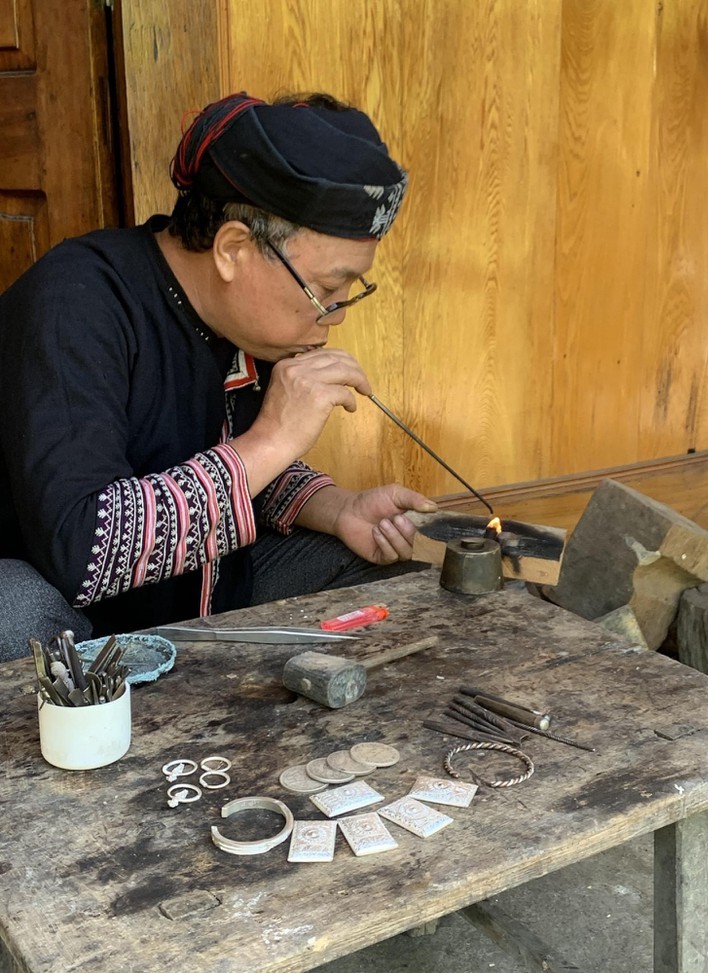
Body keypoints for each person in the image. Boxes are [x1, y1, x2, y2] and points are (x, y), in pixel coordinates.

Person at [0, 90, 437, 662]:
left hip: (199, 588)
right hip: (65, 602)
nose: (334, 315)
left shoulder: (242, 323)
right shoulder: (75, 305)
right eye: (327, 290)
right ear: (233, 248)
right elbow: (84, 549)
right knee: (14, 619)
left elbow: (235, 462)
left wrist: (340, 508)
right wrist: (274, 437)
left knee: (392, 585)